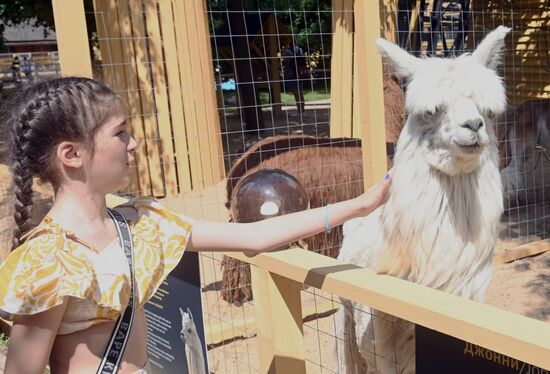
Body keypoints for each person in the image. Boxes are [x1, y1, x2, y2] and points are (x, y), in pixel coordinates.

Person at [0, 77, 391, 374]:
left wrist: (358, 206)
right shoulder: (48, 262)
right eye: (120, 133)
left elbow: (254, 234)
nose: (133, 143)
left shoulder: (142, 224)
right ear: (72, 154)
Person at [283, 43, 306, 114]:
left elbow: (286, 64)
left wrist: (285, 74)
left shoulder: (287, 52)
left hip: (291, 74)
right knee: (300, 92)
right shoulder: (300, 50)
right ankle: (302, 110)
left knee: (296, 93)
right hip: (300, 73)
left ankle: (299, 110)